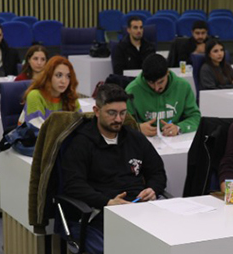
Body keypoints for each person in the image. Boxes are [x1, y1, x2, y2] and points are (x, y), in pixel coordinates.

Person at [57, 83, 166, 214]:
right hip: (102, 209)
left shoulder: (135, 138)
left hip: (139, 206)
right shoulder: (81, 143)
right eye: (112, 113)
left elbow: (157, 171)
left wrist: (153, 189)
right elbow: (74, 185)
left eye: (123, 113)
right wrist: (107, 202)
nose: (118, 119)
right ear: (97, 111)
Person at [126, 53, 201, 136]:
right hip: (144, 139)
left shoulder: (183, 86)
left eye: (161, 82)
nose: (156, 88)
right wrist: (137, 128)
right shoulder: (131, 91)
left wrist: (179, 127)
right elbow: (122, 122)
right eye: (151, 83)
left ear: (167, 72)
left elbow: (195, 117)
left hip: (175, 138)